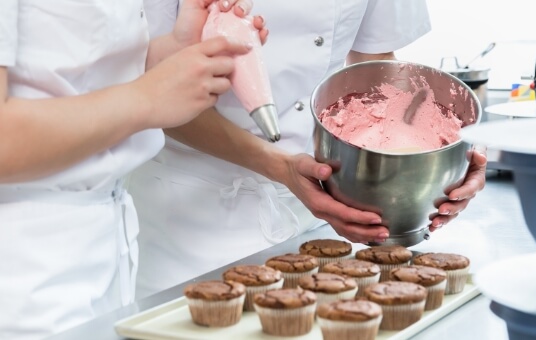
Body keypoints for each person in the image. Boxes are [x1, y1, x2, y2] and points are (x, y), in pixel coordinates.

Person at [129, 0, 488, 299]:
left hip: (317, 211)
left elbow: (375, 72)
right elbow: (149, 85)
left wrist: (440, 161)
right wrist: (280, 166)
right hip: (189, 217)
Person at [0, 0, 260, 338]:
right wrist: (148, 96)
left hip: (109, 242)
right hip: (26, 264)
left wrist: (169, 56)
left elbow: (71, 75)